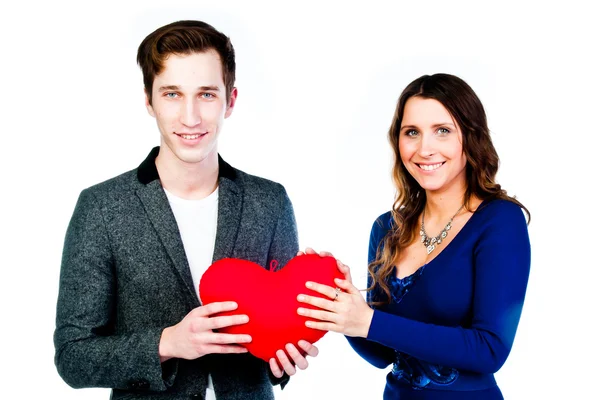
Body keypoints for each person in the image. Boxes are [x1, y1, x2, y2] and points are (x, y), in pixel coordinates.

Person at [54, 20, 317, 400]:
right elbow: (73, 356)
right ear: (149, 100)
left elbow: (279, 337)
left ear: (231, 100)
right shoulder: (101, 208)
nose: (190, 117)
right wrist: (167, 342)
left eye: (207, 94)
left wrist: (285, 357)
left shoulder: (271, 202)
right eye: (172, 94)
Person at [296, 73, 531, 399]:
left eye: (443, 131)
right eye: (412, 133)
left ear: (471, 137)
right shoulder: (386, 229)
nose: (425, 148)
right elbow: (382, 356)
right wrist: (343, 307)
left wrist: (368, 322)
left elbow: (490, 350)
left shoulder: (499, 220)